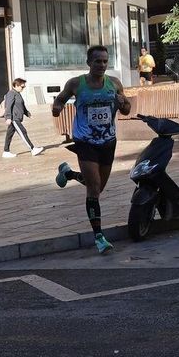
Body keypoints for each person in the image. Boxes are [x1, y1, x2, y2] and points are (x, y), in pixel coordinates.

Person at [50, 45, 132, 255]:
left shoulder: (113, 84)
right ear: (89, 63)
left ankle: (68, 173)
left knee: (97, 187)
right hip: (85, 141)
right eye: (98, 61)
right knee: (93, 187)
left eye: (105, 61)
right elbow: (60, 99)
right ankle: (99, 237)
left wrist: (124, 103)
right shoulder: (77, 84)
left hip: (108, 141)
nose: (102, 65)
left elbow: (125, 108)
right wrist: (57, 108)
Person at [1, 78, 44, 158]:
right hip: (14, 118)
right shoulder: (11, 93)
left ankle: (6, 151)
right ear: (16, 85)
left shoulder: (17, 93)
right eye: (22, 87)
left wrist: (28, 114)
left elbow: (21, 106)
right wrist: (8, 117)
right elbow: (8, 106)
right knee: (23, 132)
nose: (23, 88)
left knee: (9, 135)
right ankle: (32, 149)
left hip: (16, 117)